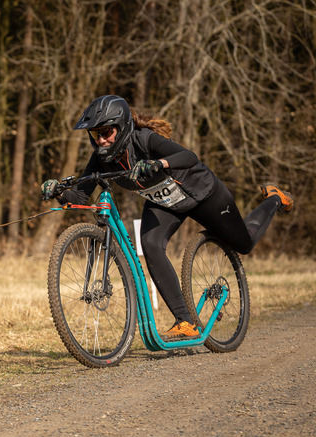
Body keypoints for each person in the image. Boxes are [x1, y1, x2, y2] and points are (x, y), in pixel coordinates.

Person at [42, 95, 294, 340]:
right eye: (96, 135)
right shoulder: (101, 157)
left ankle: (274, 199)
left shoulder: (144, 139)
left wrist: (159, 163)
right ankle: (186, 322)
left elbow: (189, 157)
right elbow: (80, 196)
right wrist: (59, 193)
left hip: (203, 194)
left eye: (106, 133)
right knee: (151, 245)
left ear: (122, 127)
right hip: (165, 204)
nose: (101, 141)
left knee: (245, 244)